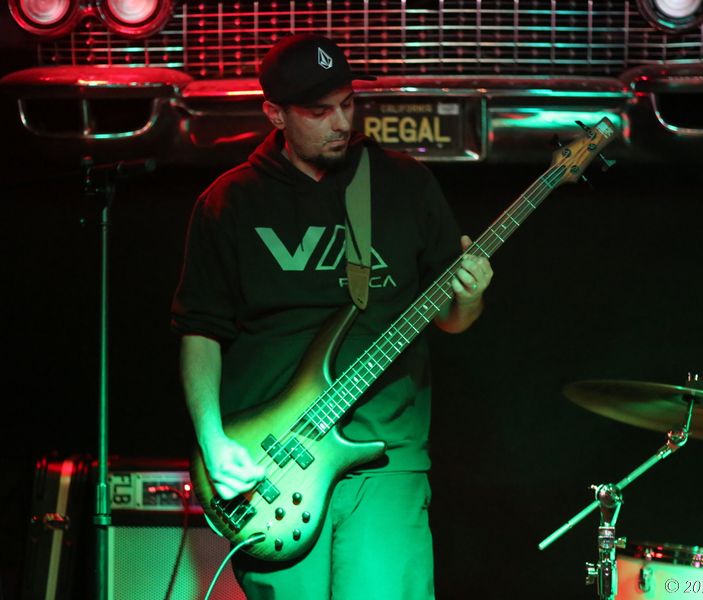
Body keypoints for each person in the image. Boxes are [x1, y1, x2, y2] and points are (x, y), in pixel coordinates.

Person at [171, 33, 493, 599]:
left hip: (387, 457)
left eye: (347, 104)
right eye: (319, 112)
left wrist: (470, 296)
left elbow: (451, 319)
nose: (341, 123)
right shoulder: (230, 201)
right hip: (275, 467)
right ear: (275, 114)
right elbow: (200, 331)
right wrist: (212, 440)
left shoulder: (404, 183)